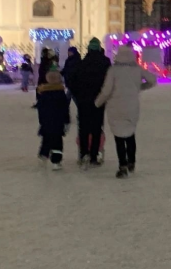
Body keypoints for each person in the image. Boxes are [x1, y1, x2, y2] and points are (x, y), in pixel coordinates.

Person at [96, 46, 156, 179]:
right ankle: (131, 162)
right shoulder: (137, 69)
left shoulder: (113, 70)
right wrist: (140, 87)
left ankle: (122, 165)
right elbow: (152, 80)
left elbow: (106, 90)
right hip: (132, 106)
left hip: (115, 106)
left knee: (119, 137)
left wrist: (98, 102)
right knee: (130, 135)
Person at [70, 38, 112, 167]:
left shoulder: (82, 63)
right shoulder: (105, 63)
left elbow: (73, 82)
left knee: (83, 128)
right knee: (96, 128)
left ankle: (84, 154)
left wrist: (78, 96)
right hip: (99, 100)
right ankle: (94, 155)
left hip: (83, 101)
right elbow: (109, 82)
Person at [35, 70, 71, 170]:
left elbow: (40, 109)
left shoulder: (43, 93)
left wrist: (41, 121)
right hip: (58, 123)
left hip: (46, 122)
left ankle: (43, 154)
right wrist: (67, 121)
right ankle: (56, 161)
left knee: (46, 139)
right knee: (57, 142)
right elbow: (65, 109)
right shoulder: (61, 94)